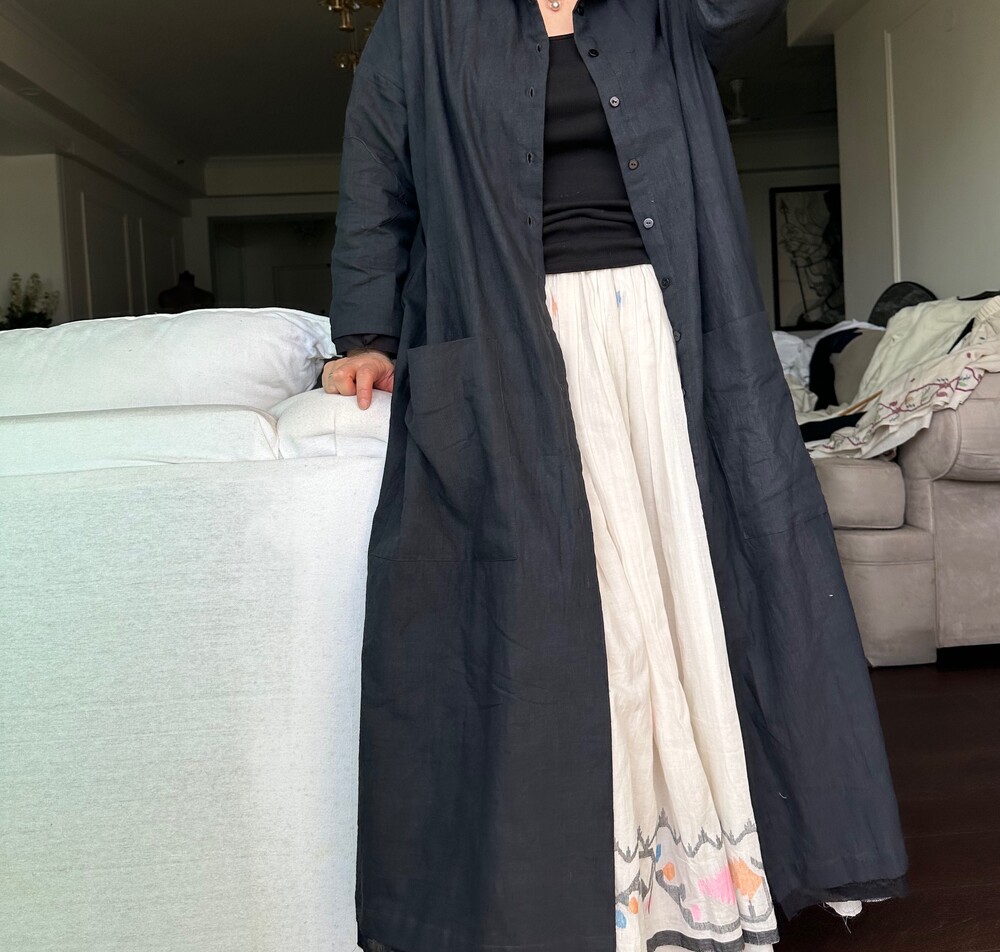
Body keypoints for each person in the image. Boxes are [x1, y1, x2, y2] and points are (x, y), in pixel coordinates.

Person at [322, 3, 909, 952]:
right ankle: (591, 897)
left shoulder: (660, 8)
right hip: (509, 342)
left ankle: (703, 879)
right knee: (570, 618)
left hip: (660, 332)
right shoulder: (424, 20)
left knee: (684, 597)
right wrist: (364, 335)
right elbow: (375, 177)